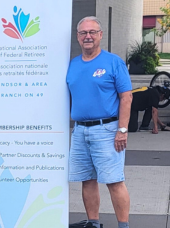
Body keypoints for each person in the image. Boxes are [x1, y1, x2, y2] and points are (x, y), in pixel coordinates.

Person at [67, 16, 133, 228]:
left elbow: (126, 97)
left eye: (92, 32)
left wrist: (122, 129)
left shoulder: (113, 62)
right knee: (87, 179)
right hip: (79, 131)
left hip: (107, 130)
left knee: (114, 181)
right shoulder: (73, 64)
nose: (88, 36)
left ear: (100, 35)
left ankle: (123, 225)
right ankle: (93, 223)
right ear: (78, 37)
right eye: (83, 33)